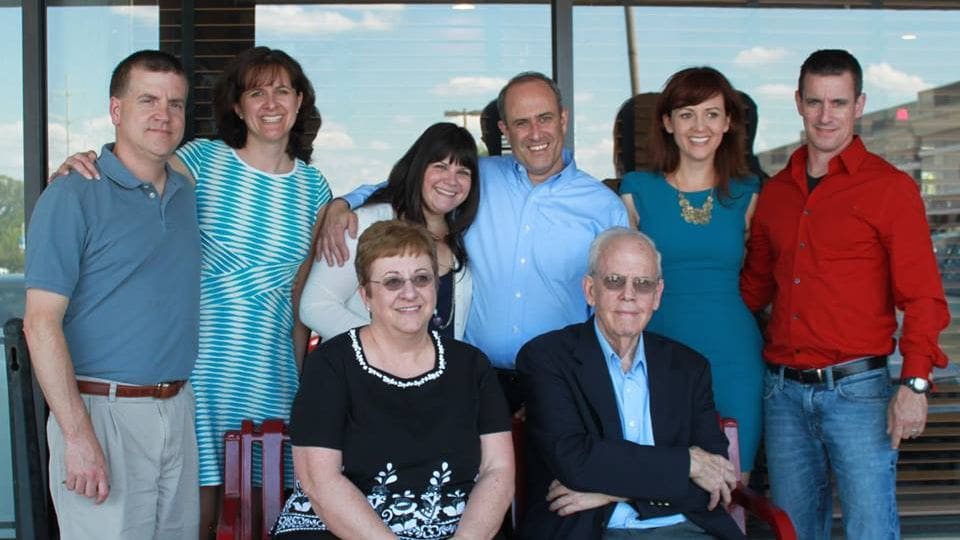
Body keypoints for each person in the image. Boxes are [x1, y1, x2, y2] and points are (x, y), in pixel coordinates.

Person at [52, 46, 333, 537]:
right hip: (199, 372)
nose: (270, 102)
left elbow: (298, 303)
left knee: (266, 514)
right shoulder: (202, 160)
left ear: (300, 100)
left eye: (282, 90)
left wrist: (351, 203)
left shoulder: (315, 189)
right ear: (238, 106)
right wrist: (83, 166)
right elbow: (137, 164)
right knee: (195, 518)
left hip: (271, 372)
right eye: (256, 92)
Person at [319, 72, 628, 410]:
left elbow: (615, 308)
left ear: (564, 119)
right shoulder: (479, 177)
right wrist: (344, 202)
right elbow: (414, 180)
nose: (535, 133)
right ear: (505, 131)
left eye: (545, 118)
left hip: (559, 381)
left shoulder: (603, 207)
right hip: (473, 379)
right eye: (521, 123)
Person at [740, 49, 950, 540]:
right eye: (815, 102)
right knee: (794, 528)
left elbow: (923, 297)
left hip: (857, 393)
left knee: (870, 528)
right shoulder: (776, 194)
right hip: (783, 393)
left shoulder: (889, 189)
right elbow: (753, 288)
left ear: (859, 105)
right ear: (797, 102)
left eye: (838, 102)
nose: (825, 115)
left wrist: (914, 385)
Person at [24, 50, 201, 539]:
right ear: (116, 110)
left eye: (176, 103)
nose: (163, 115)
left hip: (177, 407)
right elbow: (39, 324)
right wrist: (77, 437)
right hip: (102, 414)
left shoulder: (186, 190)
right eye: (148, 100)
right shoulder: (72, 194)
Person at [272, 220, 514, 539]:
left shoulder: (471, 365)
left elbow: (498, 469)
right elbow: (320, 481)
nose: (409, 293)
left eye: (422, 278)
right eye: (392, 282)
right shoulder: (330, 365)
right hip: (338, 527)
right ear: (366, 295)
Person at [516, 228, 742, 539]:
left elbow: (716, 479)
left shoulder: (689, 367)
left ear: (658, 295)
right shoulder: (547, 358)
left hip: (685, 528)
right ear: (590, 290)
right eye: (614, 281)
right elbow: (575, 462)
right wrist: (686, 463)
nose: (629, 294)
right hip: (590, 530)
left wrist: (614, 493)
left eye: (643, 284)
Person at [617, 67, 763, 482]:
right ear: (667, 123)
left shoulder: (748, 193)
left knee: (732, 483)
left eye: (712, 114)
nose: (700, 127)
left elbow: (763, 274)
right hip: (657, 351)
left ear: (729, 122)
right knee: (660, 477)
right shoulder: (636, 189)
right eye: (686, 114)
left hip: (734, 355)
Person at [300, 122, 479, 342]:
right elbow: (316, 306)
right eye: (440, 166)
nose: (451, 181)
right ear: (418, 168)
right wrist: (390, 350)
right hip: (367, 373)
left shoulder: (465, 235)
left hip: (442, 374)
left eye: (463, 172)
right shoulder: (364, 223)